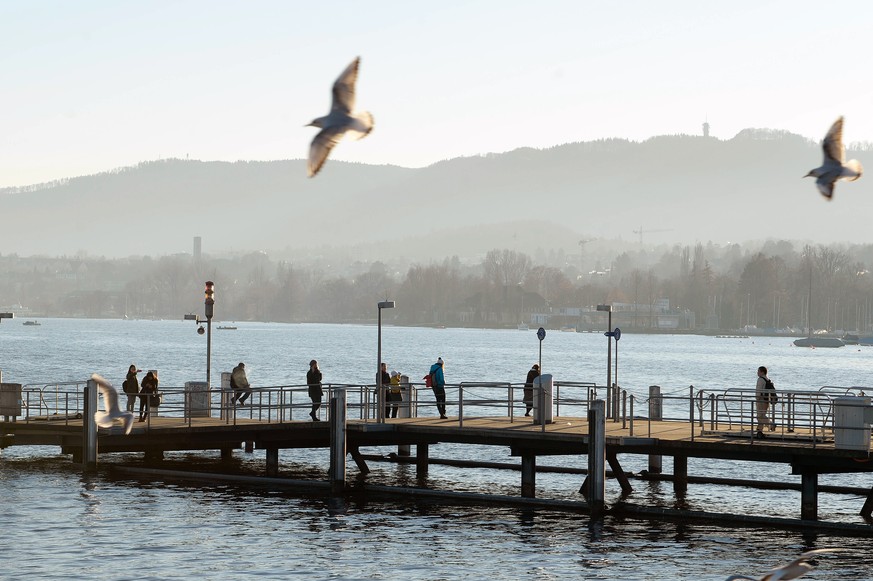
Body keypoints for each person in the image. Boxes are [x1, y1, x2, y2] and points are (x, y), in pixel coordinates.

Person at [755, 365, 776, 438]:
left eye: (758, 371)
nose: (757, 373)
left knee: (760, 415)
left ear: (762, 372)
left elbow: (759, 390)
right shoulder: (767, 379)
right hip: (766, 400)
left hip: (761, 400)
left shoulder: (760, 380)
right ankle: (759, 429)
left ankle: (771, 424)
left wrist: (757, 398)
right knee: (762, 415)